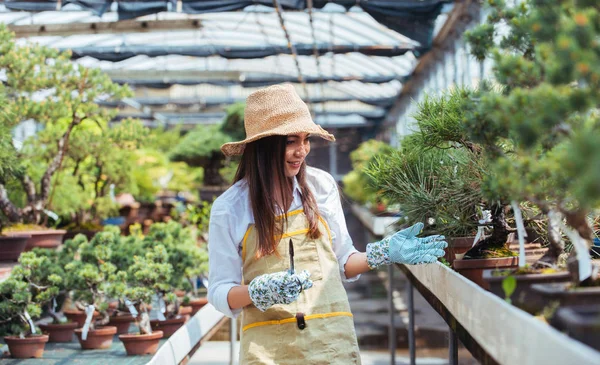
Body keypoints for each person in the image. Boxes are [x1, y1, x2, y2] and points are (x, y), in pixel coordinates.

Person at [207, 83, 447, 364]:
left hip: (332, 343)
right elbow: (219, 291)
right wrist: (259, 291)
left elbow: (343, 260)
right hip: (269, 352)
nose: (302, 151)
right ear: (264, 147)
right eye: (290, 141)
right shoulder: (230, 207)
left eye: (305, 139)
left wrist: (384, 252)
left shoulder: (320, 187)